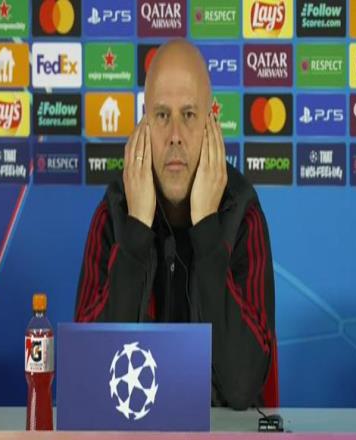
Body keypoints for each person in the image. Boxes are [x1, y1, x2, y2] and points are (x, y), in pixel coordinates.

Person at [75, 39, 278, 410]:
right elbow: (88, 377)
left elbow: (242, 386)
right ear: (144, 125)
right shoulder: (114, 214)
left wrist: (208, 231)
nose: (174, 136)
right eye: (161, 115)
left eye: (189, 115)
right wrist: (136, 233)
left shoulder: (242, 214)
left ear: (210, 126)